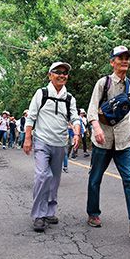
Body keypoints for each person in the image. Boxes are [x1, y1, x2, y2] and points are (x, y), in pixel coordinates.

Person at [86, 46, 130, 239]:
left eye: (127, 58)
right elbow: (92, 109)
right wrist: (96, 128)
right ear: (112, 62)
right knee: (95, 178)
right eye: (120, 58)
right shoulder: (103, 83)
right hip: (103, 138)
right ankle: (93, 213)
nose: (124, 61)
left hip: (125, 140)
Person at [24, 62, 80, 233]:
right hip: (42, 141)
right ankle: (39, 215)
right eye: (58, 72)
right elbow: (31, 117)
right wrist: (27, 138)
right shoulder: (42, 93)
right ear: (50, 75)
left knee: (55, 179)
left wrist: (77, 134)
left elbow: (75, 118)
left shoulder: (69, 98)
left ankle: (50, 211)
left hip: (60, 143)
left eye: (65, 73)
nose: (62, 75)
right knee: (42, 175)